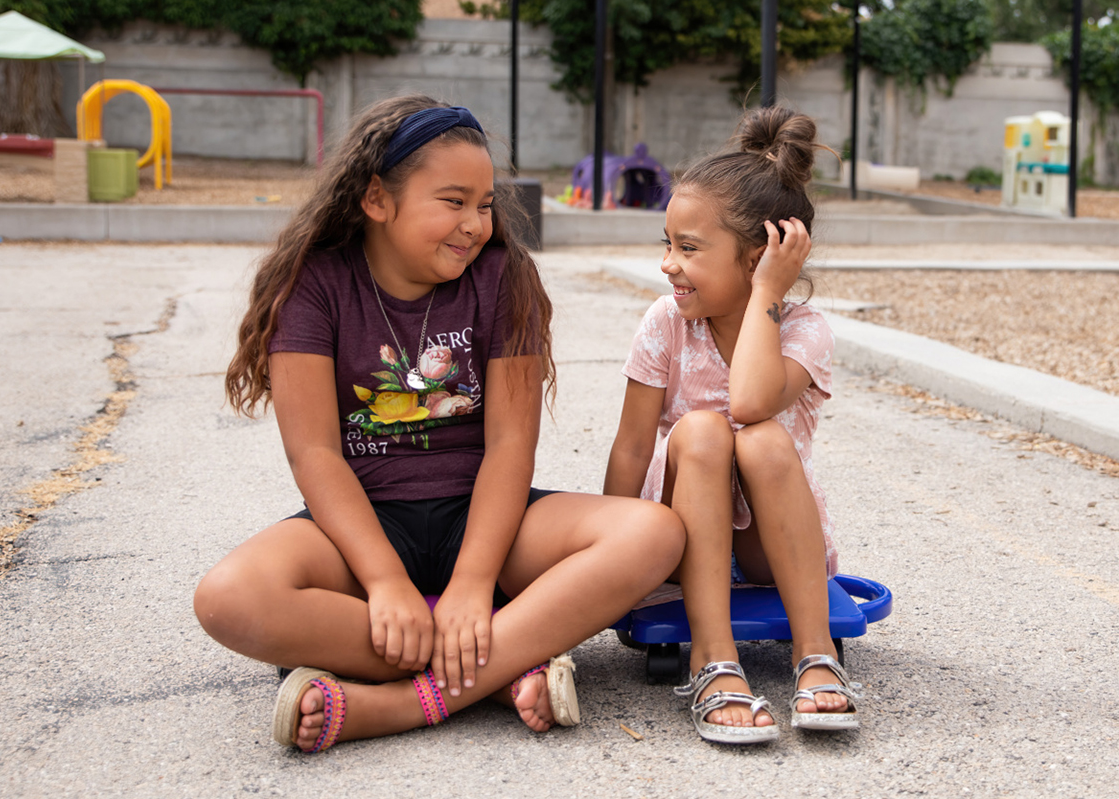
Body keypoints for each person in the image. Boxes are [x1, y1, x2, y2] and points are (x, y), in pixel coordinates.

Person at [193, 94, 685, 753]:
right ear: (376, 199)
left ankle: (401, 700)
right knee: (228, 597)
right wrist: (386, 582)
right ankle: (507, 653)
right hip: (362, 528)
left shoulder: (504, 279)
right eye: (453, 201)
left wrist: (474, 580)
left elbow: (511, 445)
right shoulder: (315, 284)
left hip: (487, 523)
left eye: (485, 204)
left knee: (654, 533)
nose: (476, 223)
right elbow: (314, 452)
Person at [604, 105, 858, 745]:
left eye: (688, 248)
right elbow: (634, 443)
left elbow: (749, 401)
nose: (668, 263)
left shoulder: (803, 330)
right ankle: (713, 662)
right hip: (676, 529)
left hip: (768, 546)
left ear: (759, 257)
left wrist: (769, 294)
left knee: (760, 435)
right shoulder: (666, 322)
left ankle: (814, 651)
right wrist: (604, 556)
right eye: (666, 243)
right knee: (701, 432)